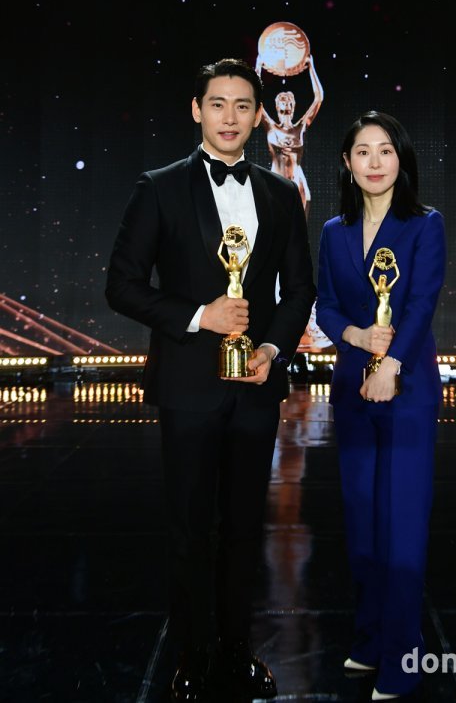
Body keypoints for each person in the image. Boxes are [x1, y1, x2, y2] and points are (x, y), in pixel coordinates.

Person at [105, 58, 315, 702]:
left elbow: (299, 288)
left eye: (242, 105)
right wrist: (201, 316)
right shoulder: (159, 187)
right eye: (217, 104)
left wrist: (272, 348)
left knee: (246, 528)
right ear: (196, 110)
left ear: (258, 116)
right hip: (189, 386)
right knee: (190, 529)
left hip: (256, 386)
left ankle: (237, 649)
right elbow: (122, 286)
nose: (230, 117)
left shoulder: (280, 193)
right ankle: (193, 654)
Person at [316, 111, 446, 701]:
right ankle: (369, 640)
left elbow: (420, 304)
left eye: (386, 150)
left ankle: (402, 654)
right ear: (346, 163)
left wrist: (391, 364)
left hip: (407, 390)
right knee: (363, 522)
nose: (374, 161)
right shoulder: (333, 231)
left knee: (402, 525)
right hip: (352, 389)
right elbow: (326, 306)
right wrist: (357, 338)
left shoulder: (425, 225)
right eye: (363, 151)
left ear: (401, 159)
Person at [255, 53, 323, 217]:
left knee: (299, 227)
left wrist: (311, 67)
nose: (285, 105)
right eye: (282, 102)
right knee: (276, 226)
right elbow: (253, 96)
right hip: (276, 182)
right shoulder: (271, 127)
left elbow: (318, 98)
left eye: (288, 102)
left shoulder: (300, 127)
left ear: (293, 106)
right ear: (277, 107)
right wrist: (258, 66)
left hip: (297, 182)